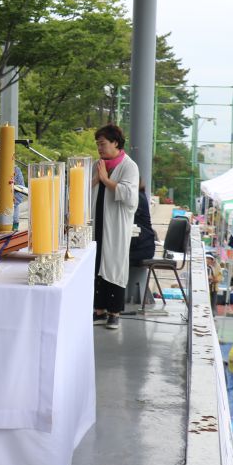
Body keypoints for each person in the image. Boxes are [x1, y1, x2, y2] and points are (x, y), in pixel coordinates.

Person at [91, 124, 140, 330]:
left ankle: (114, 312)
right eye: (98, 144)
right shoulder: (98, 164)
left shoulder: (129, 166)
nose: (99, 148)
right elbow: (84, 189)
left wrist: (105, 179)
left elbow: (130, 196)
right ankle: (99, 310)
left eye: (102, 144)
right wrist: (96, 179)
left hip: (116, 224)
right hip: (97, 220)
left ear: (116, 143)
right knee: (96, 264)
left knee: (114, 264)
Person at [127, 180, 157, 305]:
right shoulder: (141, 195)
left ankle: (114, 299)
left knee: (116, 258)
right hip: (144, 245)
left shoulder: (137, 198)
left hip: (143, 248)